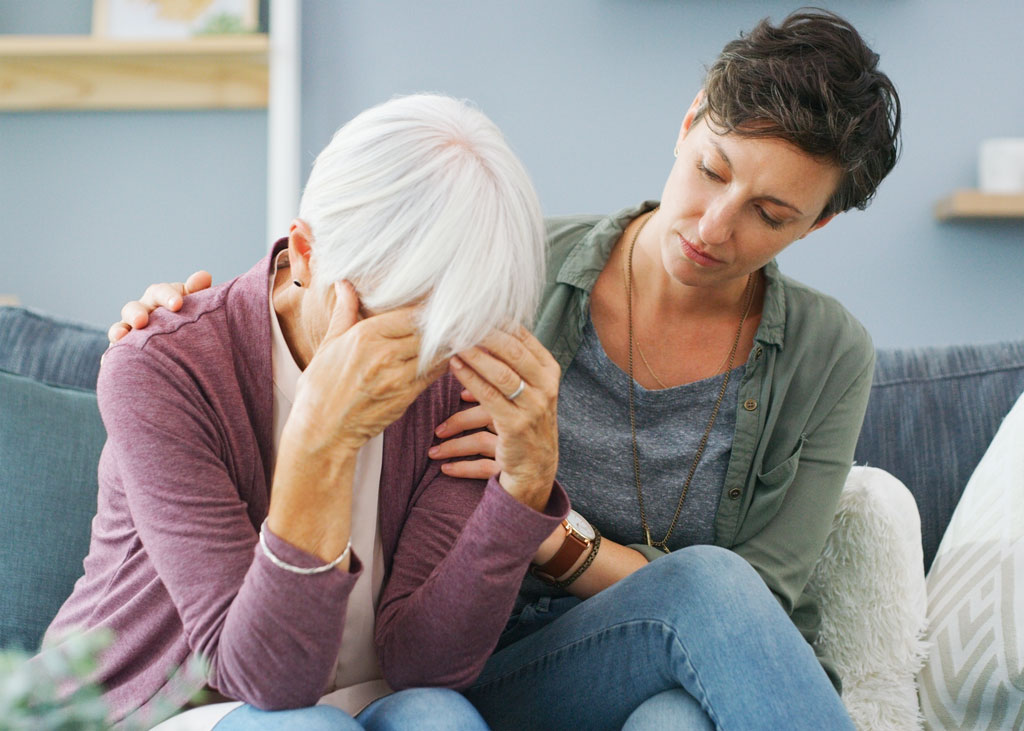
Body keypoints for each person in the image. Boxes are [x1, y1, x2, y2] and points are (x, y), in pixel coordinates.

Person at [111, 9, 901, 729]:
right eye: (712, 170)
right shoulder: (496, 275)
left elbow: (761, 605)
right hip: (445, 663)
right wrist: (190, 334)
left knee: (683, 691)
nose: (716, 225)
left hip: (538, 652)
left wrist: (535, 506)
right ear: (689, 122)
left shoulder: (481, 303)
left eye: (771, 214)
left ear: (818, 223)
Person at [45, 93, 570, 730]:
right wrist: (323, 437)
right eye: (393, 318)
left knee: (441, 717)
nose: (419, 361)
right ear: (305, 252)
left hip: (359, 700)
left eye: (452, 326)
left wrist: (522, 490)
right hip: (162, 709)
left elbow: (425, 666)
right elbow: (263, 680)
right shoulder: (164, 366)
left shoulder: (453, 362)